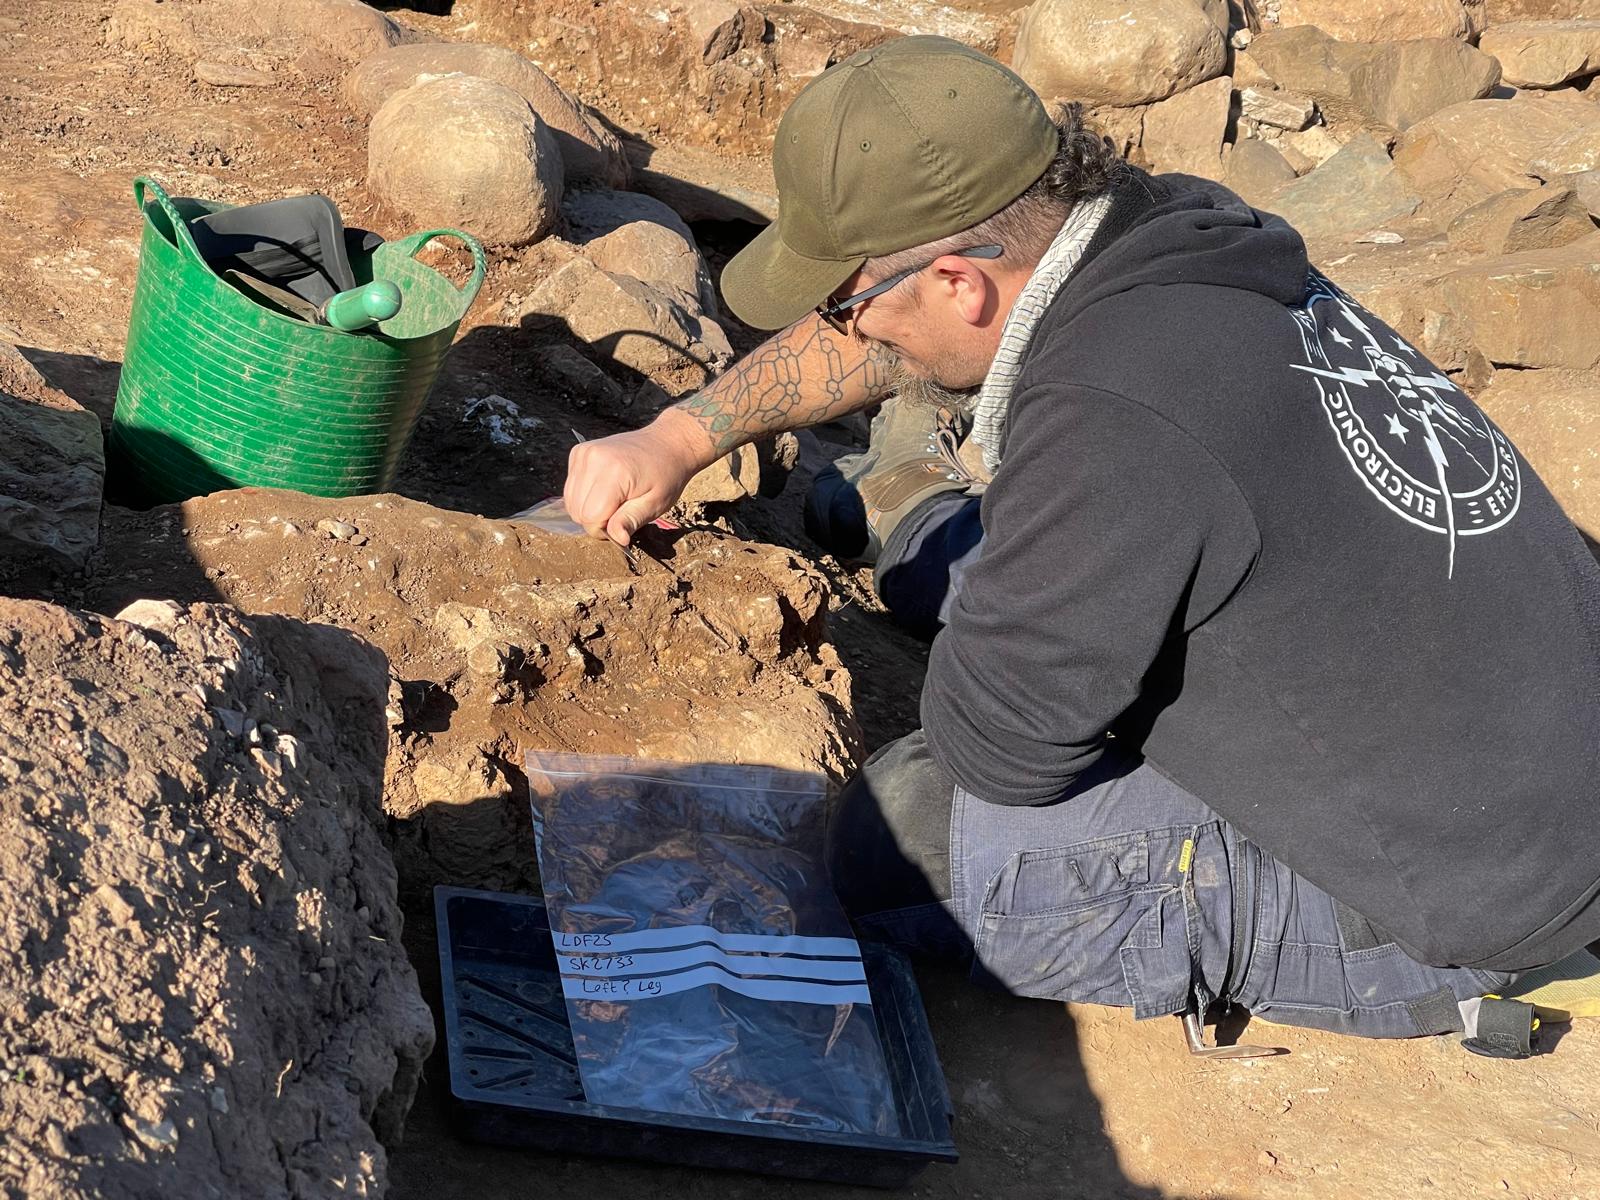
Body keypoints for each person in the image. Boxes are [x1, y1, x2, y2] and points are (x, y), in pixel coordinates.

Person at [563, 36, 1600, 1056]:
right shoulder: (1163, 229)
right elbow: (917, 331)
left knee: (904, 833)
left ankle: (909, 504)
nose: (855, 333)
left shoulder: (1115, 414)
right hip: (1501, 713)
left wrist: (1014, 647)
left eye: (851, 306)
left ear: (961, 282)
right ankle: (911, 505)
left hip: (1463, 885)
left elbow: (997, 751)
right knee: (969, 566)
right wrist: (679, 434)